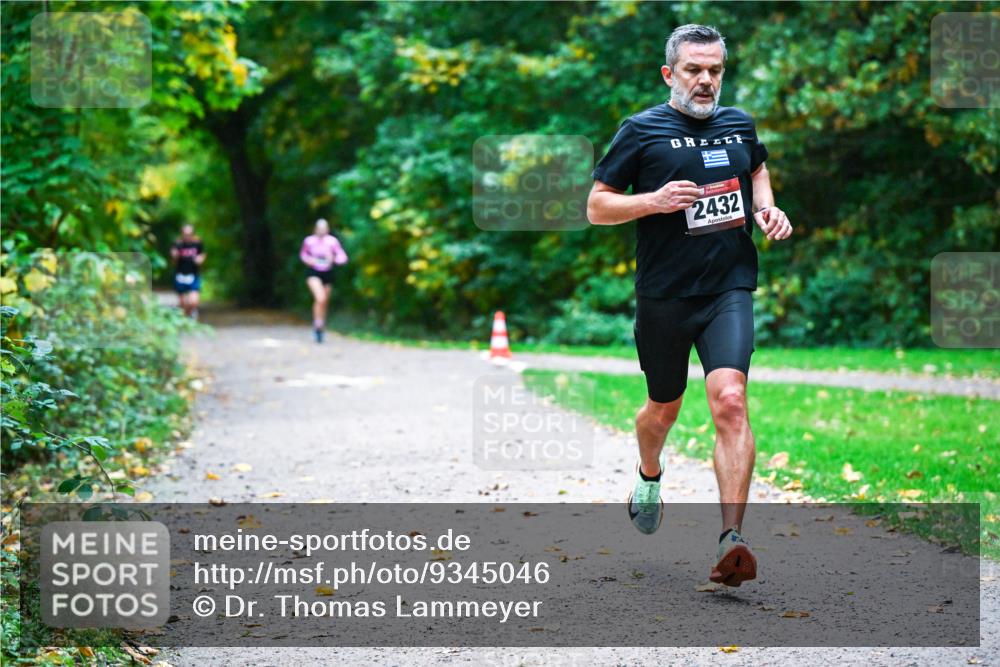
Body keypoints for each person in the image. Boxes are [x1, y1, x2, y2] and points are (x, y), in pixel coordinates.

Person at [587, 24, 793, 587]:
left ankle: (732, 541)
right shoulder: (641, 130)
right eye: (694, 70)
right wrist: (652, 201)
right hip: (664, 295)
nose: (706, 81)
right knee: (664, 409)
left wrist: (766, 209)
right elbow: (596, 207)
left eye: (716, 70)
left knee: (730, 399)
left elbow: (756, 169)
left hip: (728, 286)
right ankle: (649, 474)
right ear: (669, 74)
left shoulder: (738, 123)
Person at [299, 218, 348, 343]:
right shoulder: (309, 241)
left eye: (324, 228)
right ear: (315, 229)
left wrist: (334, 259)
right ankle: (318, 323)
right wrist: (309, 260)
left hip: (327, 272)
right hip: (313, 272)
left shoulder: (332, 241)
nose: (322, 230)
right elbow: (303, 255)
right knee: (320, 298)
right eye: (319, 228)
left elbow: (342, 257)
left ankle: (320, 328)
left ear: (327, 229)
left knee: (324, 301)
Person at [170, 224, 206, 320]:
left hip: (193, 274)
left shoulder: (197, 243)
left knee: (193, 301)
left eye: (189, 234)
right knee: (182, 303)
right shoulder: (177, 243)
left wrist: (200, 259)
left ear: (193, 234)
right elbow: (173, 259)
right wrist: (175, 256)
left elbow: (202, 254)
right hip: (180, 274)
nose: (187, 236)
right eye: (185, 233)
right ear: (182, 233)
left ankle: (192, 312)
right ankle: (185, 319)